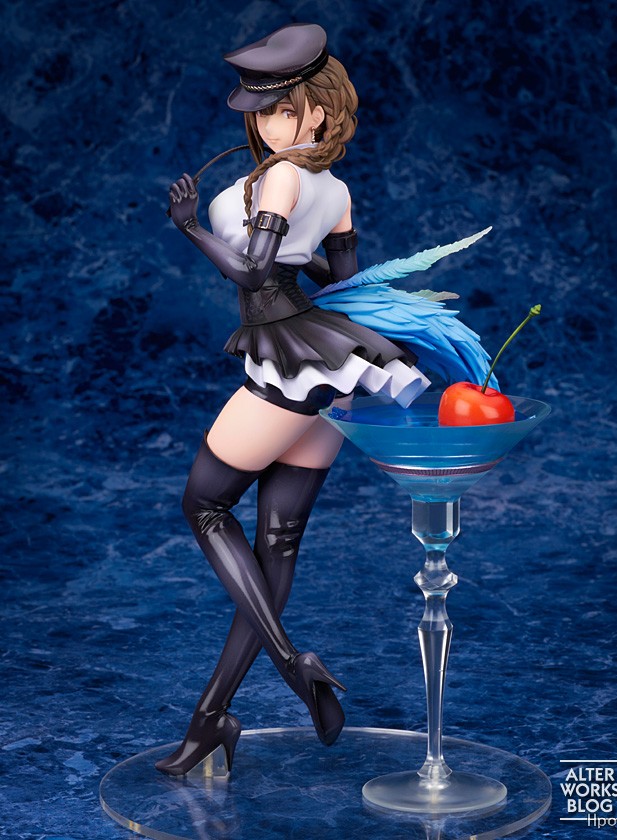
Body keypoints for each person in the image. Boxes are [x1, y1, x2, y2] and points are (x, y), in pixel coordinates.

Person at [156, 22, 471, 777]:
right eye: (261, 112)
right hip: (329, 364)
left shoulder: (286, 178)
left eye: (283, 110)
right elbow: (347, 283)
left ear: (321, 112)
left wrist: (191, 227)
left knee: (204, 505)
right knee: (277, 544)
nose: (269, 125)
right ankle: (211, 719)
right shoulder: (337, 190)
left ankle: (296, 666)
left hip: (287, 357)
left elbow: (253, 274)